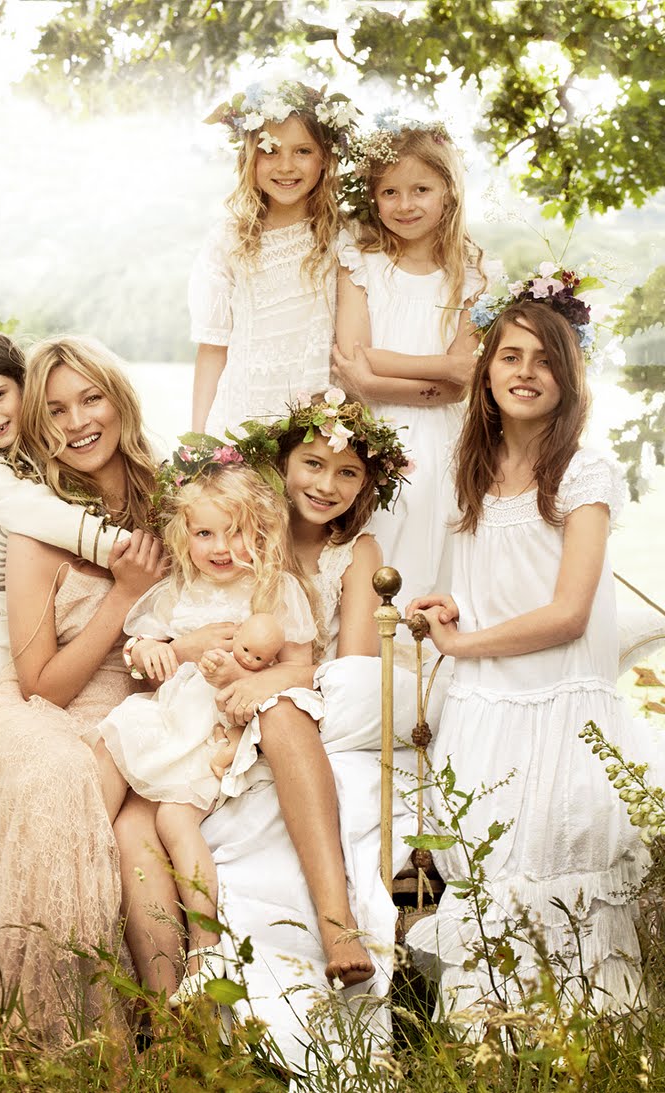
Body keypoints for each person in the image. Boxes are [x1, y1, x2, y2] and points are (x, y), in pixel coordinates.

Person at [406, 285, 655, 1016]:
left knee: (556, 862)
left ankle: (581, 1029)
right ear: (486, 373)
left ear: (568, 379)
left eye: (545, 360)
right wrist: (451, 605)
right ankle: (489, 1032)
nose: (525, 371)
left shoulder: (582, 472)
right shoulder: (475, 473)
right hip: (486, 706)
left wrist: (464, 641)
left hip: (558, 704)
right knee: (488, 866)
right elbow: (488, 583)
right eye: (510, 355)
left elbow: (569, 613)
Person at [0, 335, 166, 1045]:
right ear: (37, 426)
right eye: (55, 410)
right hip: (37, 704)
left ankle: (162, 1030)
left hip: (144, 699)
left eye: (90, 399)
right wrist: (124, 595)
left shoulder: (171, 501)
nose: (77, 422)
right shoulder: (37, 523)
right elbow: (40, 685)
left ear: (119, 399)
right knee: (55, 775)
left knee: (117, 790)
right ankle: (58, 1045)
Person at [94, 456, 317, 1003]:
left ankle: (203, 944)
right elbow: (140, 651)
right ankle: (77, 862)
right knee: (109, 744)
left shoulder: (275, 591)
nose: (221, 547)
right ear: (184, 535)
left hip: (215, 732)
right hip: (171, 718)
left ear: (261, 532)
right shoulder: (178, 590)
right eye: (204, 533)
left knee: (173, 818)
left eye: (236, 532)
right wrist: (158, 650)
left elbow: (305, 669)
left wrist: (252, 681)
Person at [331, 115, 489, 618]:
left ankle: (420, 647)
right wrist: (446, 366)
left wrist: (377, 378)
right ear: (373, 198)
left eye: (421, 189)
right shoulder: (361, 261)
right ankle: (360, 648)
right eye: (390, 192)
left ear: (448, 191)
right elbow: (358, 357)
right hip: (368, 433)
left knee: (432, 532)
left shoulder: (472, 274)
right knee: (370, 542)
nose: (405, 204)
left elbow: (463, 385)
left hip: (443, 438)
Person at [0, 330, 141, 690]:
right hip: (1, 603)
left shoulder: (48, 433)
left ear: (25, 386)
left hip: (46, 596)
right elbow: (39, 513)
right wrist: (127, 551)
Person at [190, 80, 355, 435]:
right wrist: (198, 440)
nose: (286, 166)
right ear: (249, 158)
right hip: (243, 417)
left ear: (325, 158)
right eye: (271, 151)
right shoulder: (229, 240)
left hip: (319, 426)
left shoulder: (344, 235)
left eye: (302, 151)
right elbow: (213, 348)